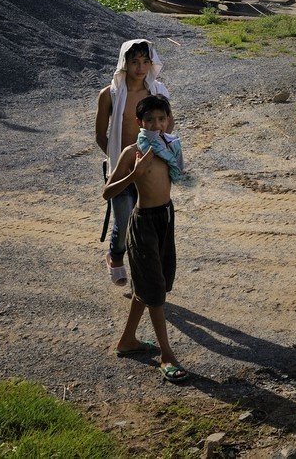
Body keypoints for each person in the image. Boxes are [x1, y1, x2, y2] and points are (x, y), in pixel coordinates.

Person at [103, 93, 190, 383]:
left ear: (168, 120)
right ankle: (167, 355)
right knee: (155, 290)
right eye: (149, 120)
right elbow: (108, 191)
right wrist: (134, 174)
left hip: (166, 217)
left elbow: (179, 177)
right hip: (144, 225)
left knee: (154, 282)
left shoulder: (169, 145)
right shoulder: (133, 152)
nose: (156, 124)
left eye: (161, 119)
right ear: (139, 122)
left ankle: (127, 341)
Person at [95, 39, 169, 287]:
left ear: (151, 63)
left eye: (145, 61)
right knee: (124, 220)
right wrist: (119, 161)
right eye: (135, 61)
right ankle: (115, 257)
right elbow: (99, 135)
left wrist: (159, 160)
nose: (140, 67)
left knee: (148, 222)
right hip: (122, 169)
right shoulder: (110, 94)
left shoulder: (157, 93)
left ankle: (143, 271)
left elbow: (168, 126)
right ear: (124, 63)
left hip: (150, 168)